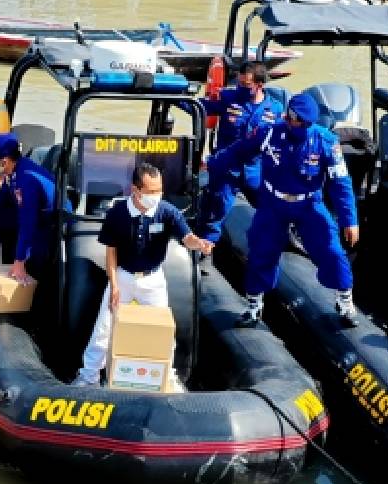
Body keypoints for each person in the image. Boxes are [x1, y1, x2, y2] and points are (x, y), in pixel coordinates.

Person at [222, 93, 359, 328]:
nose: (298, 125)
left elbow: (341, 183)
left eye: (303, 122)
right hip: (273, 202)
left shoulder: (325, 142)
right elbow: (239, 150)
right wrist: (215, 164)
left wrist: (350, 220)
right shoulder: (269, 133)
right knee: (260, 250)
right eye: (295, 119)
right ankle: (254, 306)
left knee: (331, 250)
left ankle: (345, 301)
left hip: (309, 204)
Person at [72, 164, 213, 388]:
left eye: (159, 191)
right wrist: (114, 284)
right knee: (104, 328)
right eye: (151, 192)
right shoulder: (117, 214)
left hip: (153, 280)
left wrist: (198, 244)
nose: (156, 196)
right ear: (135, 190)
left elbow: (186, 236)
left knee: (165, 330)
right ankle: (88, 377)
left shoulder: (167, 211)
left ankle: (168, 376)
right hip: (123, 277)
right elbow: (111, 252)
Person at [195, 63, 286, 243]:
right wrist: (177, 96)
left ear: (260, 85)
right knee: (215, 212)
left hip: (256, 170)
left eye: (246, 85)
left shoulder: (274, 108)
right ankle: (204, 252)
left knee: (272, 209)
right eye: (239, 82)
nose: (241, 87)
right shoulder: (228, 98)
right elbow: (200, 107)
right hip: (227, 168)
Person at [0, 132, 59, 282]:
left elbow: (28, 224)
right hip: (33, 214)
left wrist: (19, 261)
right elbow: (4, 193)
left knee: (34, 260)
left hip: (50, 224)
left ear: (4, 162)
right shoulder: (16, 169)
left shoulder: (26, 181)